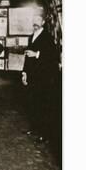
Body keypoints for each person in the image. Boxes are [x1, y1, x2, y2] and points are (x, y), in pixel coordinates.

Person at [21, 11, 58, 142]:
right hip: (31, 76)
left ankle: (45, 134)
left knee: (43, 105)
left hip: (43, 78)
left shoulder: (47, 37)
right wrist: (24, 73)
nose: (35, 23)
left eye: (38, 20)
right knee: (33, 104)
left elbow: (53, 56)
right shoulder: (31, 36)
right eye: (34, 20)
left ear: (43, 22)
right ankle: (35, 128)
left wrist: (37, 54)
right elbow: (27, 56)